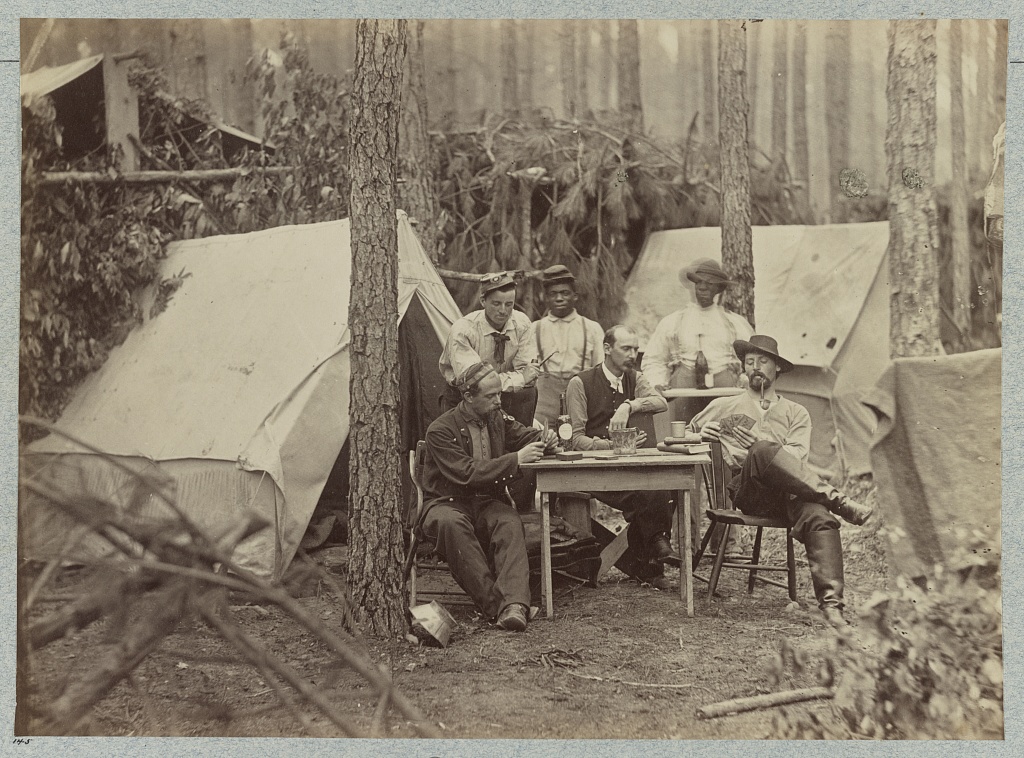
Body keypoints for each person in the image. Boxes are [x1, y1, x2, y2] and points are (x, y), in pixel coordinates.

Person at [688, 334, 874, 626]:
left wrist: (763, 440)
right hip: (750, 492)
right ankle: (839, 500)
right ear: (744, 370)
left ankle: (832, 607)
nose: (755, 367)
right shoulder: (725, 405)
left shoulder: (796, 413)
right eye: (750, 362)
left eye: (763, 361)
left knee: (818, 516)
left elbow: (797, 462)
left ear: (778, 369)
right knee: (761, 451)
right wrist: (698, 434)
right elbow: (680, 436)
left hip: (790, 493)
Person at [421, 362, 559, 632]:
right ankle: (500, 607)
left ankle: (515, 605)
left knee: (508, 520)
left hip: (483, 502)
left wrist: (544, 438)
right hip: (446, 503)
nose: (499, 401)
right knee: (452, 525)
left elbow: (522, 435)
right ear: (468, 396)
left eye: (499, 394)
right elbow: (466, 473)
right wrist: (516, 460)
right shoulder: (440, 430)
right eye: (491, 396)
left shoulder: (496, 418)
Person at [564, 325, 677, 590]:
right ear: (606, 349)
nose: (633, 354)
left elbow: (660, 402)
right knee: (649, 491)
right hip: (594, 471)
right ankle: (653, 557)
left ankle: (649, 562)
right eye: (626, 348)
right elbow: (574, 439)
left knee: (661, 485)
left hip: (628, 468)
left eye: (635, 349)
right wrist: (613, 445)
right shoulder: (580, 383)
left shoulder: (634, 379)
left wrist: (629, 405)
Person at [642, 259, 754, 422]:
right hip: (683, 395)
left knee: (725, 439)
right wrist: (658, 382)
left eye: (709, 283)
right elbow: (654, 359)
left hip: (726, 395)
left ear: (719, 288)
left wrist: (745, 379)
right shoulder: (672, 322)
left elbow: (753, 360)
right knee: (685, 438)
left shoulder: (736, 324)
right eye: (698, 282)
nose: (702, 287)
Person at [438, 272, 538, 426]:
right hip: (466, 397)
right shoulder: (463, 330)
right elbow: (476, 383)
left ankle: (520, 444)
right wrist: (520, 378)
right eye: (496, 304)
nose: (503, 311)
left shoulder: (522, 324)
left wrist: (523, 378)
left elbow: (529, 375)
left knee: (528, 392)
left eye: (509, 304)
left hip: (505, 395)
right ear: (483, 301)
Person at [520, 265, 605, 427]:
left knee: (580, 443)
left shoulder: (591, 329)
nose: (559, 298)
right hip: (544, 403)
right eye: (553, 294)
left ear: (575, 296)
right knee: (542, 442)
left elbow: (600, 371)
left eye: (565, 293)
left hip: (580, 399)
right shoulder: (534, 329)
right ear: (546, 297)